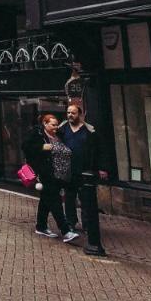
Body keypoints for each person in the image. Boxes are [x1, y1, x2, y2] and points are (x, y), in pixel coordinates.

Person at [58, 102, 108, 256]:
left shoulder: (89, 130)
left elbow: (100, 149)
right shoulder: (62, 129)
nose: (70, 115)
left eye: (73, 113)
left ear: (81, 114)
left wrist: (101, 167)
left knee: (87, 199)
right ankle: (71, 223)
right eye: (68, 113)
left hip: (86, 171)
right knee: (69, 197)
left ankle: (88, 225)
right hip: (68, 170)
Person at [23, 114, 78, 241]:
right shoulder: (37, 134)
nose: (56, 127)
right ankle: (66, 231)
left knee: (45, 200)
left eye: (56, 124)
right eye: (53, 125)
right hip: (44, 173)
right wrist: (41, 147)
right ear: (45, 124)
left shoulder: (59, 134)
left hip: (58, 173)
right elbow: (25, 147)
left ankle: (41, 226)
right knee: (55, 200)